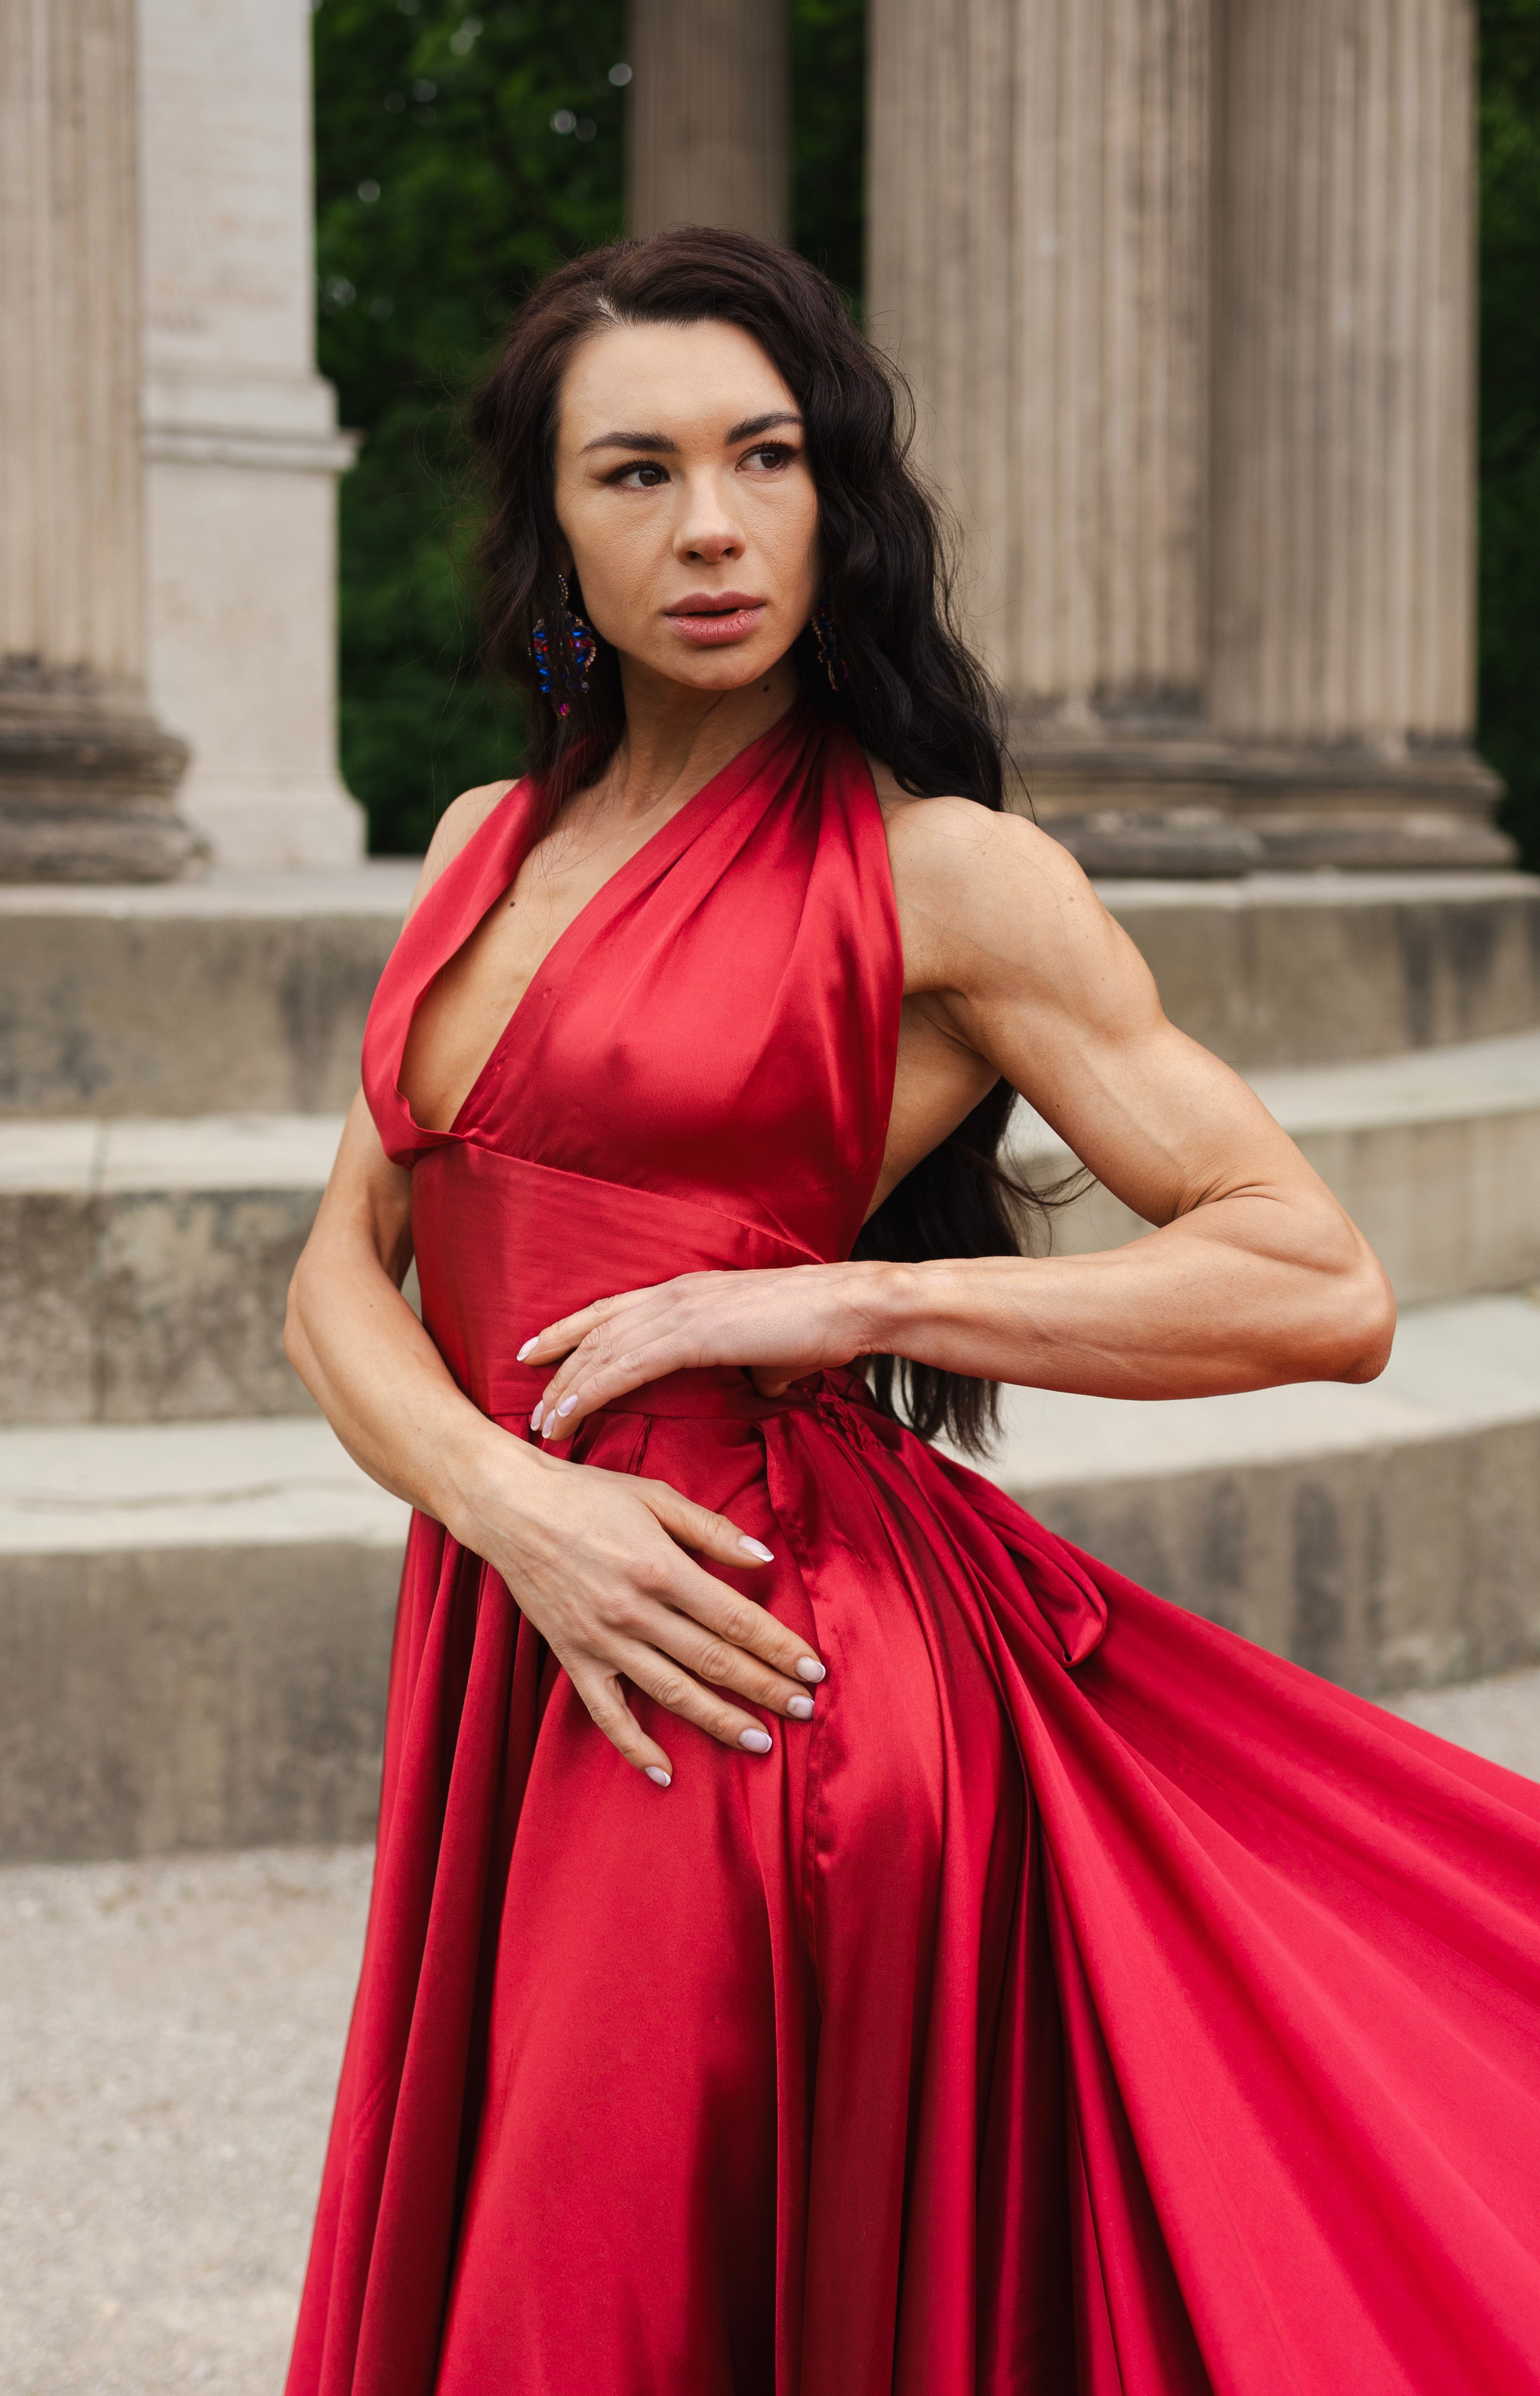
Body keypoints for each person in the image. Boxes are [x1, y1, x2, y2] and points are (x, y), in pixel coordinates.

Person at [282, 230, 1540, 2396]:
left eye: (765, 458)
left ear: (834, 494)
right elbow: (336, 1283)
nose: (709, 526)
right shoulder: (484, 843)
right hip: (536, 1596)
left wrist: (838, 1297)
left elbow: (1316, 1274)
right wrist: (512, 1505)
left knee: (596, 2299)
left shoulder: (943, 872)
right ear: (546, 524)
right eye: (636, 471)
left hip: (754, 1658)